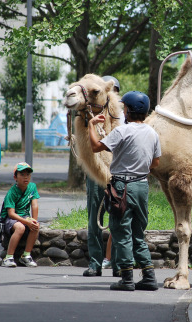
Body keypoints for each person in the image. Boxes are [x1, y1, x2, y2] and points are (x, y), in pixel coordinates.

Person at [88, 91, 161, 291]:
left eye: (125, 108)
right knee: (138, 233)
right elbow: (155, 162)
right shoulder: (152, 133)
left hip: (123, 187)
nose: (124, 112)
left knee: (121, 232)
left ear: (130, 110)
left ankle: (127, 278)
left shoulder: (122, 131)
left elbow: (95, 147)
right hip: (141, 187)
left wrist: (91, 125)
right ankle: (149, 277)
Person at [83, 75, 120, 277]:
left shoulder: (121, 117)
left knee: (117, 217)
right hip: (96, 172)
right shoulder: (88, 117)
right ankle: (95, 263)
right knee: (93, 218)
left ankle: (117, 263)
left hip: (116, 171)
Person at [0, 162, 40, 268]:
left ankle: (26, 256)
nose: (25, 177)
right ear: (15, 177)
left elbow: (34, 205)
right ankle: (8, 257)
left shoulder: (32, 187)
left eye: (28, 175)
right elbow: (11, 213)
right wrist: (26, 222)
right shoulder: (12, 192)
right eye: (22, 174)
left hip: (25, 217)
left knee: (36, 226)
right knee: (20, 227)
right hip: (11, 219)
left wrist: (33, 221)